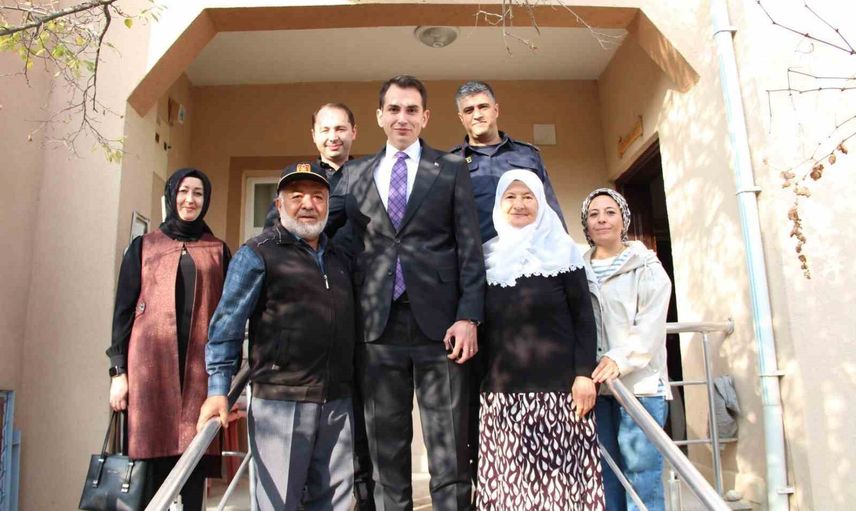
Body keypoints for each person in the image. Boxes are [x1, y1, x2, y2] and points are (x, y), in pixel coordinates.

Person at [327, 75, 485, 510]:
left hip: (443, 330)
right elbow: (319, 223)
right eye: (394, 109)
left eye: (412, 109)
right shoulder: (355, 173)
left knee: (449, 451)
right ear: (379, 116)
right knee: (385, 453)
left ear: (425, 117)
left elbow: (470, 248)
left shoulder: (450, 168)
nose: (402, 117)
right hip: (376, 329)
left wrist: (469, 316)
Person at [199, 162, 357, 511]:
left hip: (336, 402)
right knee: (278, 504)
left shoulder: (340, 257)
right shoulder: (258, 253)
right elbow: (226, 326)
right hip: (280, 403)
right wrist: (217, 389)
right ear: (278, 203)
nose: (308, 204)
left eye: (318, 197)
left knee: (335, 504)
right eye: (296, 196)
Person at [476, 169, 604, 510]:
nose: (519, 204)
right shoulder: (485, 257)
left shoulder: (564, 252)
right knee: (510, 494)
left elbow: (584, 318)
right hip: (502, 398)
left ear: (541, 202)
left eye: (528, 196)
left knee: (560, 494)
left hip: (561, 396)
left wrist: (584, 375)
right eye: (510, 197)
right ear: (498, 204)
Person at [106, 168, 230, 510]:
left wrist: (226, 379)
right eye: (183, 191)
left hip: (199, 377)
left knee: (192, 469)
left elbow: (229, 315)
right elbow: (123, 311)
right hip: (149, 376)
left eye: (198, 193)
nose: (190, 200)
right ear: (171, 195)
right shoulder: (144, 247)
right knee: (146, 475)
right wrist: (118, 372)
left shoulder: (218, 250)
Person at [581, 188, 673, 511]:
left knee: (641, 478)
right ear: (586, 224)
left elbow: (650, 325)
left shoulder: (646, 266)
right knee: (606, 476)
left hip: (639, 387)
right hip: (598, 389)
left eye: (610, 212)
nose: (602, 220)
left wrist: (619, 359)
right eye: (594, 214)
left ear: (624, 220)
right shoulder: (578, 269)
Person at [450, 80, 565, 243]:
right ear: (461, 118)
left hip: (528, 252)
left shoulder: (527, 154)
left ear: (496, 110)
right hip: (475, 254)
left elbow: (550, 207)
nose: (477, 115)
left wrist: (563, 248)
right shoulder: (451, 162)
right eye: (469, 110)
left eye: (483, 107)